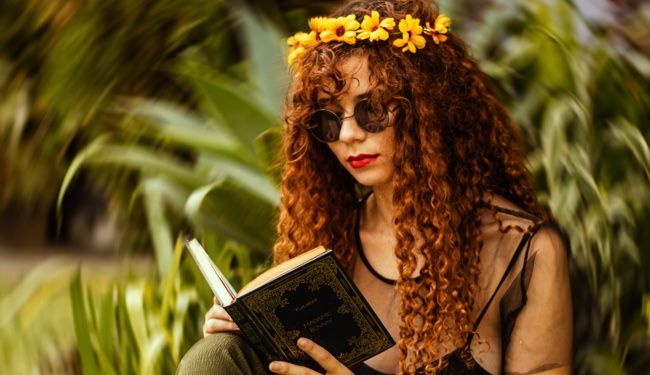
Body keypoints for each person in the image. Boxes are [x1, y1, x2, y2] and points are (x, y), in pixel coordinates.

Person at [177, 0, 573, 374]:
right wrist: (241, 334)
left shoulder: (522, 250)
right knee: (216, 355)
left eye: (372, 110)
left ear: (429, 107)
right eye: (328, 119)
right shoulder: (331, 238)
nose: (348, 134)